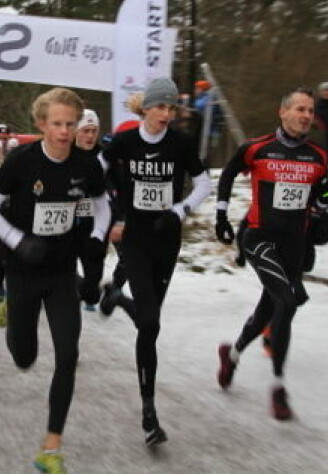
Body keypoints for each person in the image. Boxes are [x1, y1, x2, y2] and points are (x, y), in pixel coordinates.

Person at [0, 87, 110, 474]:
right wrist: (19, 242)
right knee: (24, 357)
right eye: (57, 124)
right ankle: (9, 313)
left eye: (71, 124)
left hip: (62, 273)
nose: (65, 132)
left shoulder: (86, 166)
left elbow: (103, 208)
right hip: (24, 272)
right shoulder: (21, 161)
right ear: (41, 124)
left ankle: (51, 447)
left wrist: (98, 238)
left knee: (68, 355)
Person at [99, 78, 212, 446]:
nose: (166, 114)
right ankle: (149, 413)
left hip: (167, 238)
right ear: (145, 108)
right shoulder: (126, 141)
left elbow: (204, 184)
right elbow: (99, 173)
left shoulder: (180, 143)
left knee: (150, 327)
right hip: (134, 236)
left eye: (171, 108)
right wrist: (115, 215)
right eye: (160, 107)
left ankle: (116, 298)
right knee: (149, 320)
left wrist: (179, 211)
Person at [215, 87, 328, 421]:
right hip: (259, 237)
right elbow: (227, 172)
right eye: (299, 109)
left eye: (310, 111)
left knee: (272, 309)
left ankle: (232, 354)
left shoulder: (318, 156)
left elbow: (326, 191)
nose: (306, 116)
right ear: (283, 112)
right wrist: (221, 215)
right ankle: (279, 388)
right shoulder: (258, 149)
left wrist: (324, 209)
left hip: (293, 244)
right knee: (287, 299)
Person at [74, 109, 105, 312]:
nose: (90, 136)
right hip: (67, 223)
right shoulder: (65, 152)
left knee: (94, 276)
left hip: (94, 222)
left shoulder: (103, 155)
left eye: (94, 131)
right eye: (85, 130)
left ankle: (87, 291)